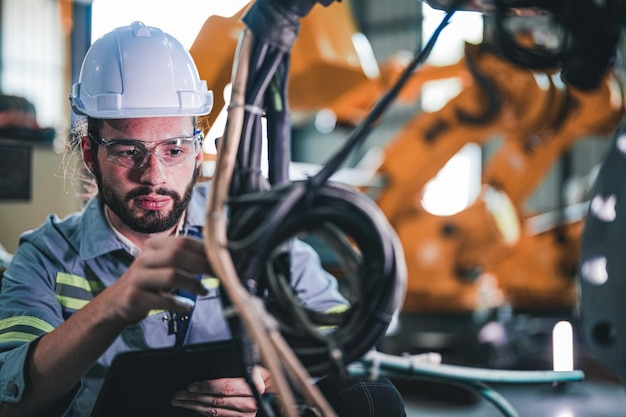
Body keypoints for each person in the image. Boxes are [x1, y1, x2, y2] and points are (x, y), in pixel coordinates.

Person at [0, 21, 405, 417]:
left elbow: (344, 334)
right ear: (91, 154)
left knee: (372, 399)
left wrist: (274, 380)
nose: (154, 175)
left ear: (197, 151)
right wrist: (113, 307)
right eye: (128, 151)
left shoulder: (248, 228)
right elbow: (12, 399)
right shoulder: (46, 258)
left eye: (174, 150)